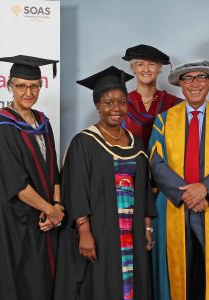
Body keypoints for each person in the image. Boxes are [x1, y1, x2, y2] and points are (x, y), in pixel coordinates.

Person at [54, 66, 156, 300]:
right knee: (102, 284)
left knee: (131, 284)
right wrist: (84, 231)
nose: (115, 109)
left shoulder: (136, 142)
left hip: (132, 228)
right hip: (101, 229)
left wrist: (147, 226)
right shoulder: (85, 142)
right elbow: (76, 189)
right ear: (97, 106)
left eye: (121, 102)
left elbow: (144, 186)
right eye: (108, 103)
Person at [149, 60, 209, 300]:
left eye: (201, 78)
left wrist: (205, 190)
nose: (194, 84)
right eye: (187, 79)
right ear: (180, 85)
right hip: (174, 205)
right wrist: (186, 194)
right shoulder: (163, 120)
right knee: (179, 273)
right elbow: (155, 163)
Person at [0, 55, 64, 300]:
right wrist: (50, 211)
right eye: (21, 86)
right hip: (16, 220)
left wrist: (57, 206)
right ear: (9, 86)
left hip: (45, 218)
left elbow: (54, 171)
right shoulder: (0, 127)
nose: (28, 92)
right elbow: (15, 183)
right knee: (23, 283)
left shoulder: (43, 122)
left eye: (34, 86)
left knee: (45, 282)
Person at [122, 44, 182, 149]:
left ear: (159, 68)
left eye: (152, 64)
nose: (146, 69)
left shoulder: (174, 104)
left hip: (164, 164)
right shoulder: (122, 104)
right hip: (130, 163)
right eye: (140, 64)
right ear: (133, 68)